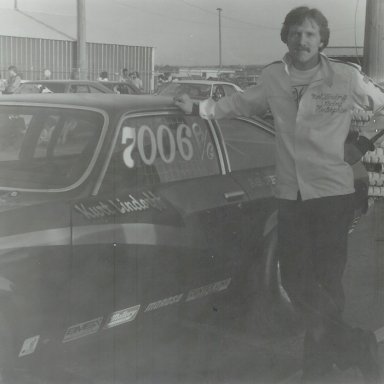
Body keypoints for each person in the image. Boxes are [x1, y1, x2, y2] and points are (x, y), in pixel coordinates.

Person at [175, 6, 384, 383]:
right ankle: (353, 345)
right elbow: (239, 103)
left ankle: (317, 369)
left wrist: (364, 142)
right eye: (295, 33)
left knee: (328, 281)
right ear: (285, 37)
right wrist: (199, 108)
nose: (302, 40)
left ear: (322, 40)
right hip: (291, 195)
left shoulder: (346, 76)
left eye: (310, 34)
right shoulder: (273, 76)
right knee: (295, 279)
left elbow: (383, 106)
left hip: (332, 193)